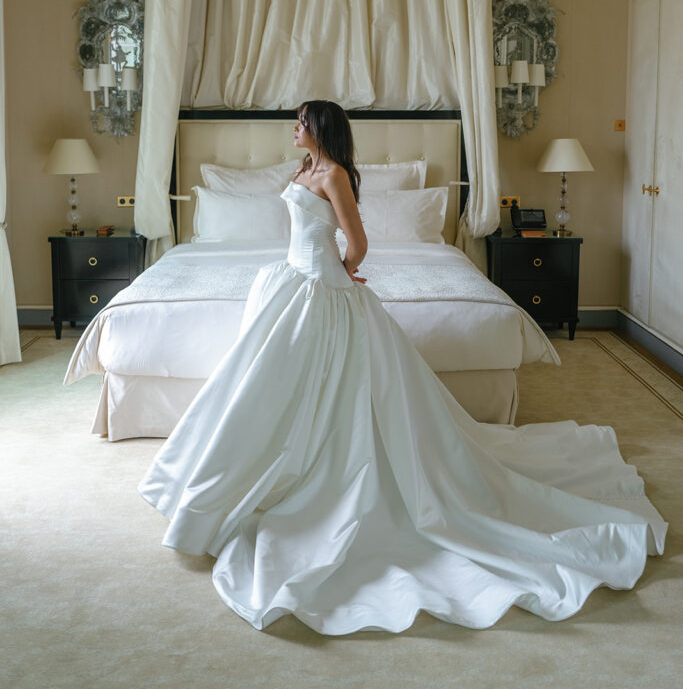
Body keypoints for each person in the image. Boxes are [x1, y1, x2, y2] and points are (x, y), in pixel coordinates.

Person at [139, 100, 666, 635]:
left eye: (300, 122)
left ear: (319, 129)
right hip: (291, 281)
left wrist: (338, 275)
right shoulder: (303, 169)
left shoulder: (337, 175)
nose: (293, 128)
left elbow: (358, 242)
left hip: (322, 285)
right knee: (256, 384)